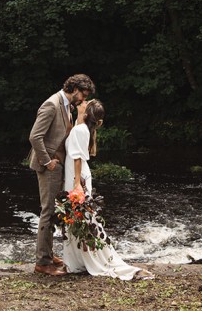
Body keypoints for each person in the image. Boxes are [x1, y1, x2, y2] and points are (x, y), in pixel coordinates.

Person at [62, 98, 154, 281]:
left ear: (87, 113)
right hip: (75, 175)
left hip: (76, 176)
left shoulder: (81, 130)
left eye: (84, 103)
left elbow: (78, 157)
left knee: (85, 220)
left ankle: (93, 259)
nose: (81, 102)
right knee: (78, 220)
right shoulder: (81, 128)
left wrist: (76, 184)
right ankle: (78, 260)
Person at [28, 73, 96, 276]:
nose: (83, 99)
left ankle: (48, 255)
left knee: (53, 212)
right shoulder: (51, 104)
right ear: (74, 89)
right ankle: (42, 262)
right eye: (82, 94)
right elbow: (35, 136)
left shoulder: (67, 105)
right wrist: (47, 162)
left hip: (59, 165)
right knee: (47, 212)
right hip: (48, 166)